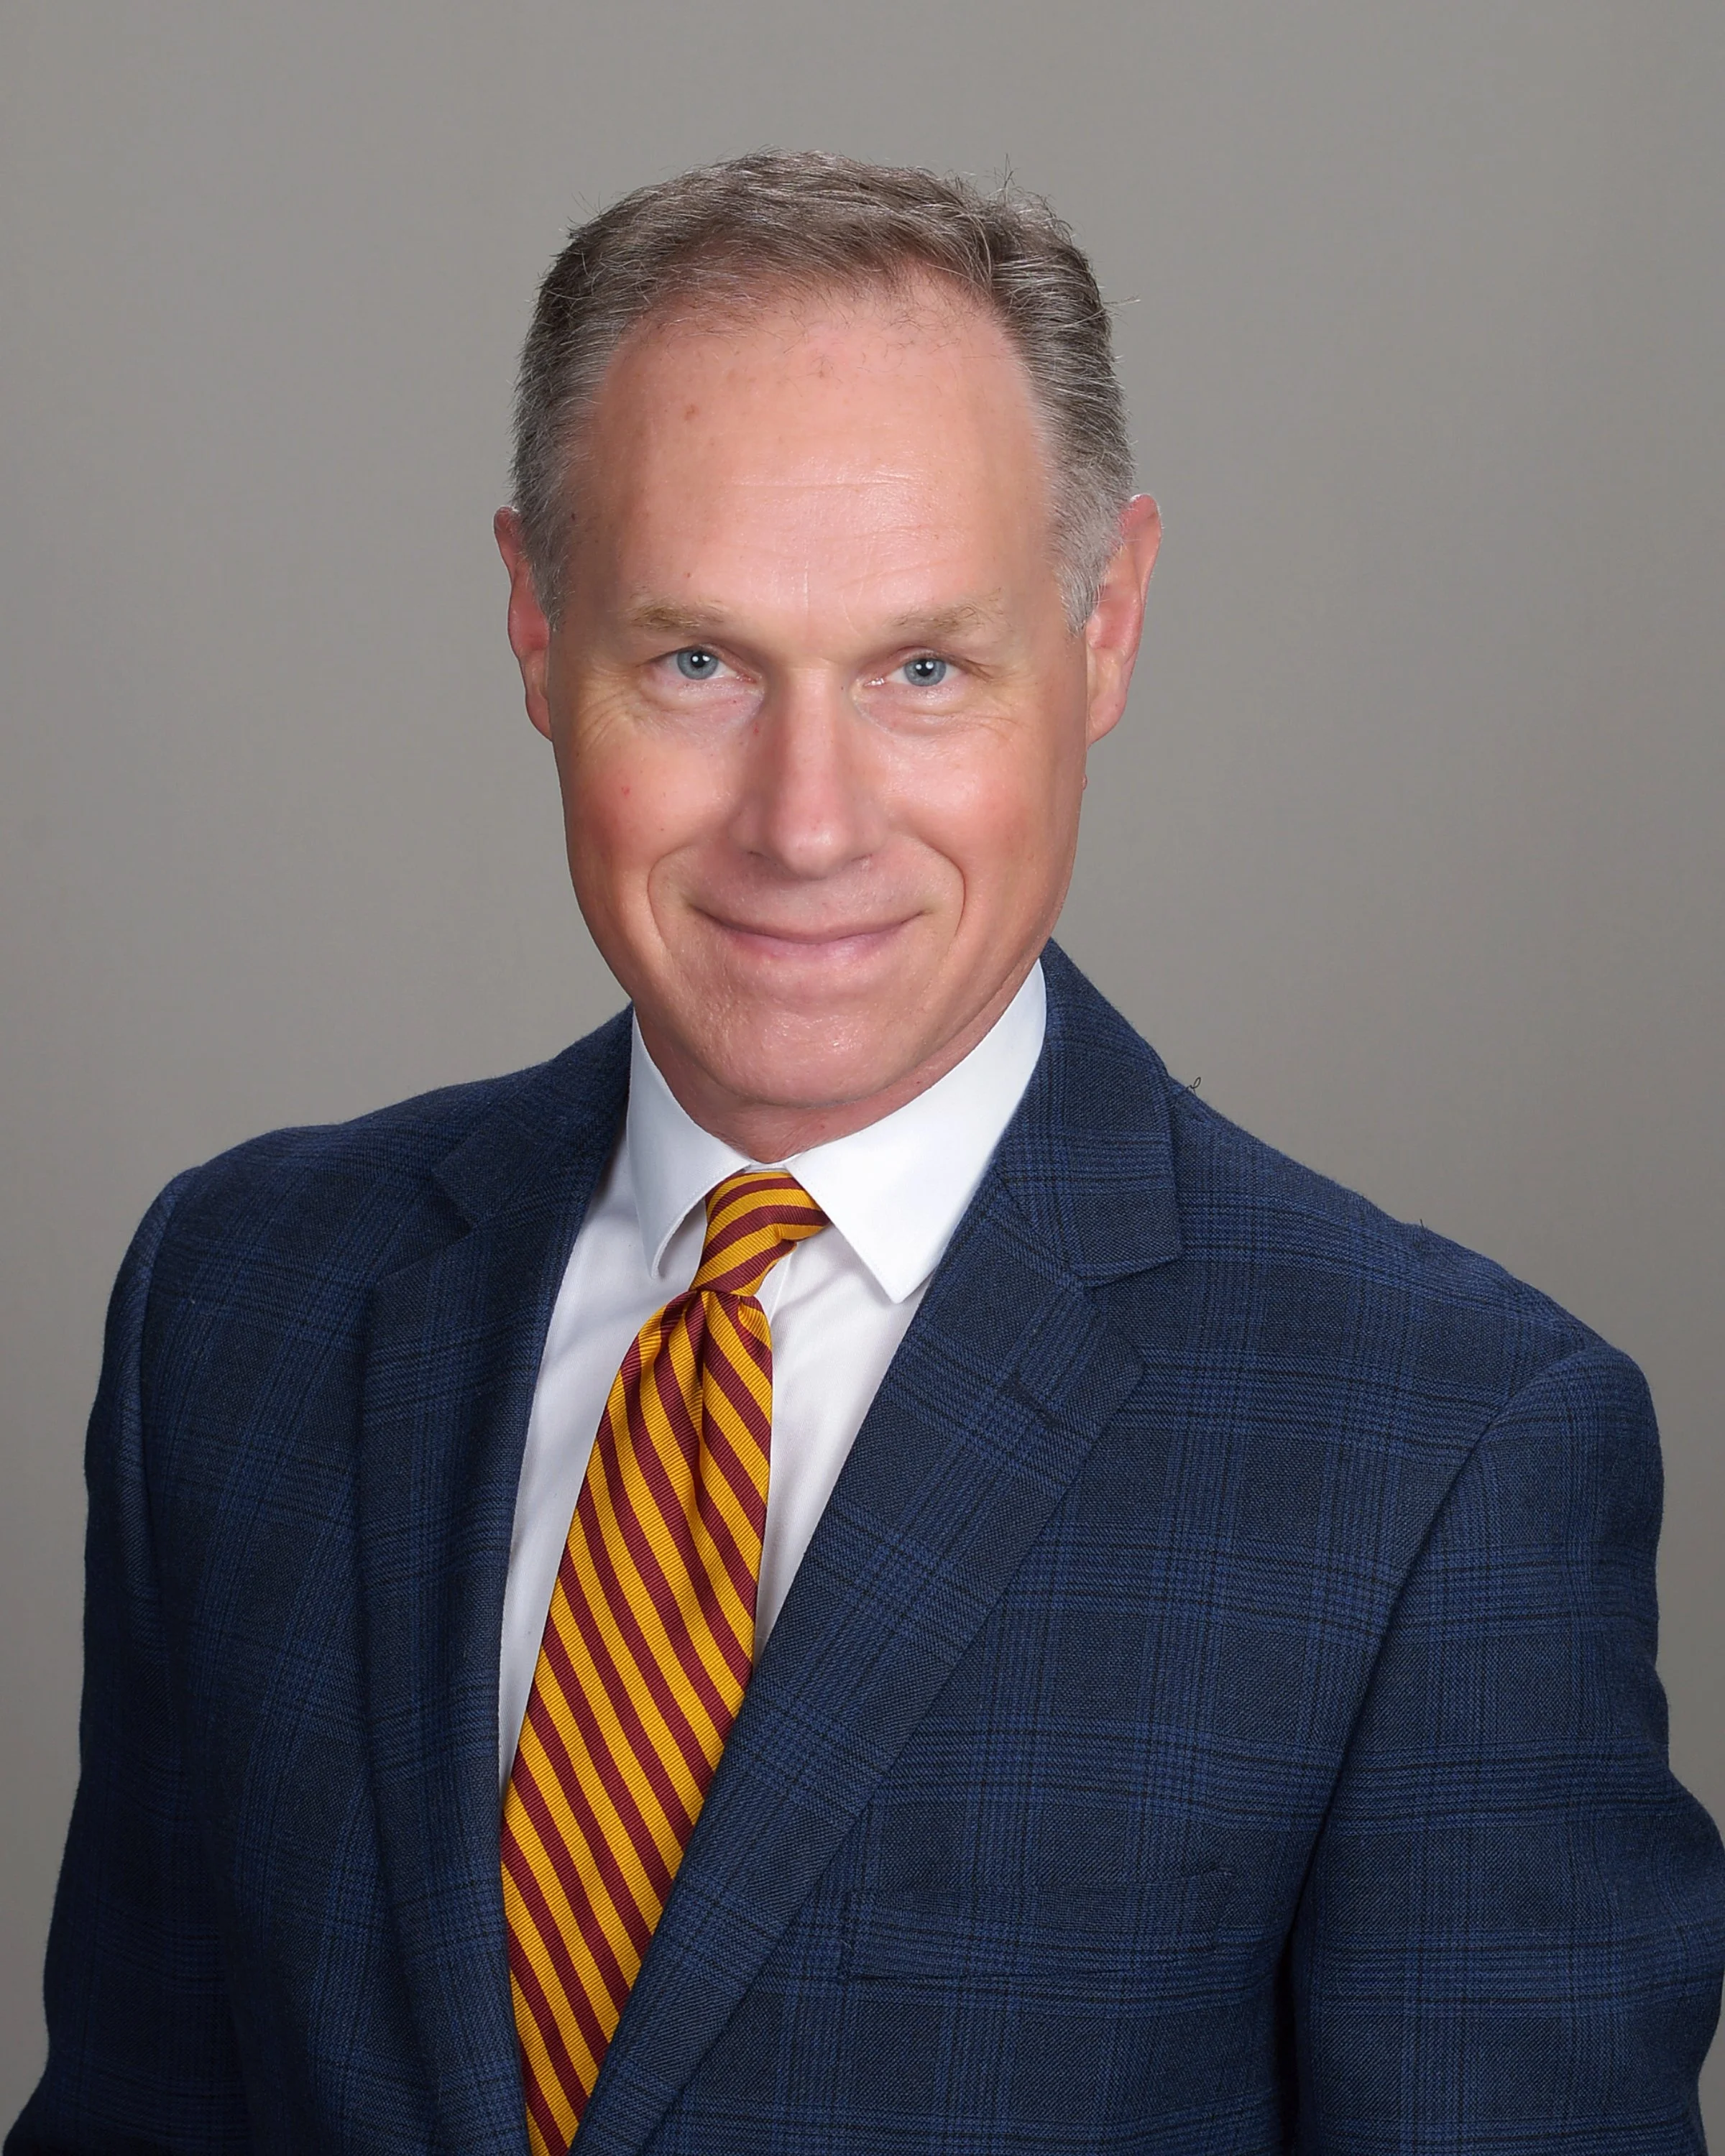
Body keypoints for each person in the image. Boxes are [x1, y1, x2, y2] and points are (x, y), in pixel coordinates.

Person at [9, 150, 1723, 2156]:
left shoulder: (1443, 1449)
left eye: (923, 670)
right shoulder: (240, 1308)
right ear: (535, 621)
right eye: (699, 663)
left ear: (1106, 628)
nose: (805, 824)